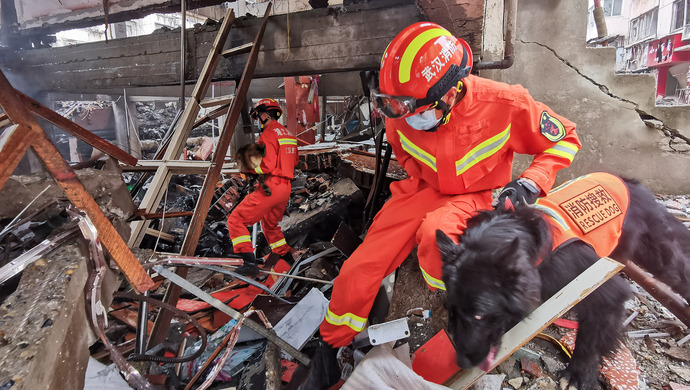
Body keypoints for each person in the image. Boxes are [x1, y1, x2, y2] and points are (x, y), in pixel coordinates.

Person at [320, 22, 581, 347]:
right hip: (420, 189)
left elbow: (565, 138)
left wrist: (530, 183)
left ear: (449, 92)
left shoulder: (506, 104)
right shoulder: (400, 114)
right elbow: (406, 155)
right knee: (359, 268)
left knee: (434, 238)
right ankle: (332, 343)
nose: (398, 113)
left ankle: (453, 304)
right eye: (392, 103)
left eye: (406, 106)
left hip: (473, 195)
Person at [227, 98, 299, 276]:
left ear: (265, 115)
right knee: (270, 224)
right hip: (285, 188)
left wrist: (251, 170)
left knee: (236, 219)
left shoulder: (268, 134)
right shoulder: (288, 135)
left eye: (259, 117)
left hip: (272, 186)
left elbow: (267, 165)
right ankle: (289, 258)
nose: (259, 121)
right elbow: (295, 161)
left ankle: (248, 261)